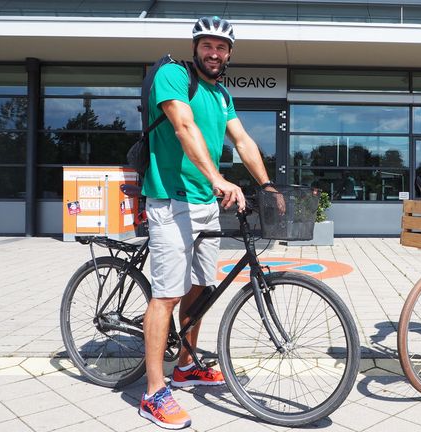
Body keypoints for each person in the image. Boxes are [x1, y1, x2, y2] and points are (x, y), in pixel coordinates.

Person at [138, 16, 276, 430]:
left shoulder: (221, 94)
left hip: (204, 205)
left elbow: (243, 141)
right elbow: (183, 126)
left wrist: (267, 185)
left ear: (229, 54)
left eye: (221, 47)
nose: (213, 53)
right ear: (195, 47)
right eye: (207, 45)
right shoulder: (173, 76)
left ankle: (185, 366)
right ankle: (153, 392)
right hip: (170, 201)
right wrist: (217, 178)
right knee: (166, 295)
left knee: (201, 288)